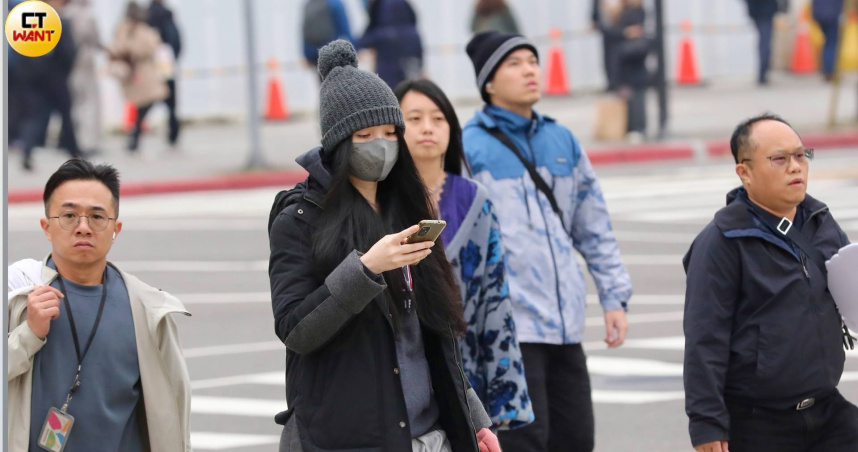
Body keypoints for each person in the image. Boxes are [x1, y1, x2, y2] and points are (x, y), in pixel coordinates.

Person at [267, 40, 500, 452]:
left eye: (391, 133)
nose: (382, 144)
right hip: (352, 439)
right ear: (340, 141)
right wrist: (366, 269)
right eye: (366, 134)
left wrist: (475, 420)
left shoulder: (405, 207)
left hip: (433, 437)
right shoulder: (299, 219)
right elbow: (296, 331)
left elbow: (433, 335)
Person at [462, 31, 633, 452]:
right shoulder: (469, 146)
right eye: (515, 64)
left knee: (576, 439)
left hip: (564, 326)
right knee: (525, 443)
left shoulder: (562, 141)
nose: (530, 71)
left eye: (532, 61)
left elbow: (593, 226)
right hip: (509, 329)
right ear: (489, 82)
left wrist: (613, 297)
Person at [683, 114, 856, 452]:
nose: (795, 167)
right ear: (744, 172)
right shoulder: (722, 241)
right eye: (779, 159)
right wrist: (706, 423)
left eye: (801, 155)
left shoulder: (820, 222)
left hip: (826, 409)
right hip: (757, 423)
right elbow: (705, 339)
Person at [7, 159, 192, 452]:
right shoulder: (18, 298)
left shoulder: (148, 309)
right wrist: (28, 334)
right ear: (47, 227)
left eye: (97, 217)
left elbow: (174, 408)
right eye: (69, 215)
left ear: (115, 228)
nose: (83, 228)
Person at [394, 79, 534, 429]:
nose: (428, 127)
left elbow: (495, 296)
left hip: (465, 368)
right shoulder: (384, 201)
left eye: (438, 118)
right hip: (403, 376)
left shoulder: (475, 200)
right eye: (414, 118)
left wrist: (506, 397)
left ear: (452, 130)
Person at [16, 0, 81, 171]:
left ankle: (28, 150)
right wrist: (62, 73)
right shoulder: (60, 22)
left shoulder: (27, 23)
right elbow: (69, 53)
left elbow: (21, 54)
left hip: (34, 81)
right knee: (65, 116)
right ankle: (74, 152)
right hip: (56, 79)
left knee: (35, 117)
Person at [108, 2, 168, 153]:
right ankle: (135, 135)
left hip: (135, 72)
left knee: (142, 103)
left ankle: (134, 135)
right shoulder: (139, 30)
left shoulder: (122, 28)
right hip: (141, 72)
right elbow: (152, 47)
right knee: (147, 101)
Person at [64, 0, 103, 155]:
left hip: (68, 64)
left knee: (74, 102)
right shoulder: (87, 16)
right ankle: (88, 141)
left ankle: (72, 140)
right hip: (85, 61)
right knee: (89, 102)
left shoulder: (64, 13)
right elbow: (96, 40)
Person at [357, 0, 423, 89]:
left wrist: (362, 43)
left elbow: (377, 33)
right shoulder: (403, 4)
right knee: (410, 91)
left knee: (390, 93)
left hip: (389, 62)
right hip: (410, 55)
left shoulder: (381, 6)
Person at [146, 0, 182, 147]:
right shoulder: (166, 15)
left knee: (147, 101)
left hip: (150, 65)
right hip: (166, 64)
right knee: (171, 103)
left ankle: (135, 136)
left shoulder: (146, 16)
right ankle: (173, 134)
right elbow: (175, 41)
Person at [301, 0, 353, 81]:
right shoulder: (334, 3)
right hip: (334, 53)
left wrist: (306, 55)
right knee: (340, 84)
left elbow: (305, 31)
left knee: (324, 84)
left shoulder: (308, 5)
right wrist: (355, 49)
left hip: (315, 55)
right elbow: (345, 28)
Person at [742, 0, 790, 85]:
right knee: (765, 41)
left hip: (757, 10)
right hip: (765, 10)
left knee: (764, 41)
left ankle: (763, 73)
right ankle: (762, 74)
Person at [813, 0, 845, 81]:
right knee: (831, 42)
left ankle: (827, 68)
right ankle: (829, 70)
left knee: (827, 41)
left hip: (819, 13)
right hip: (832, 14)